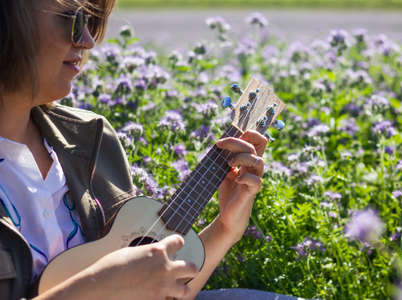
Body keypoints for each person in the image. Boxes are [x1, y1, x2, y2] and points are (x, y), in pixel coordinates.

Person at [0, 1, 277, 299]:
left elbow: (150, 290)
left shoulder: (90, 138)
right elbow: (120, 284)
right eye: (73, 19)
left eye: (91, 22)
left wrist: (225, 228)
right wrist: (101, 284)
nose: (87, 40)